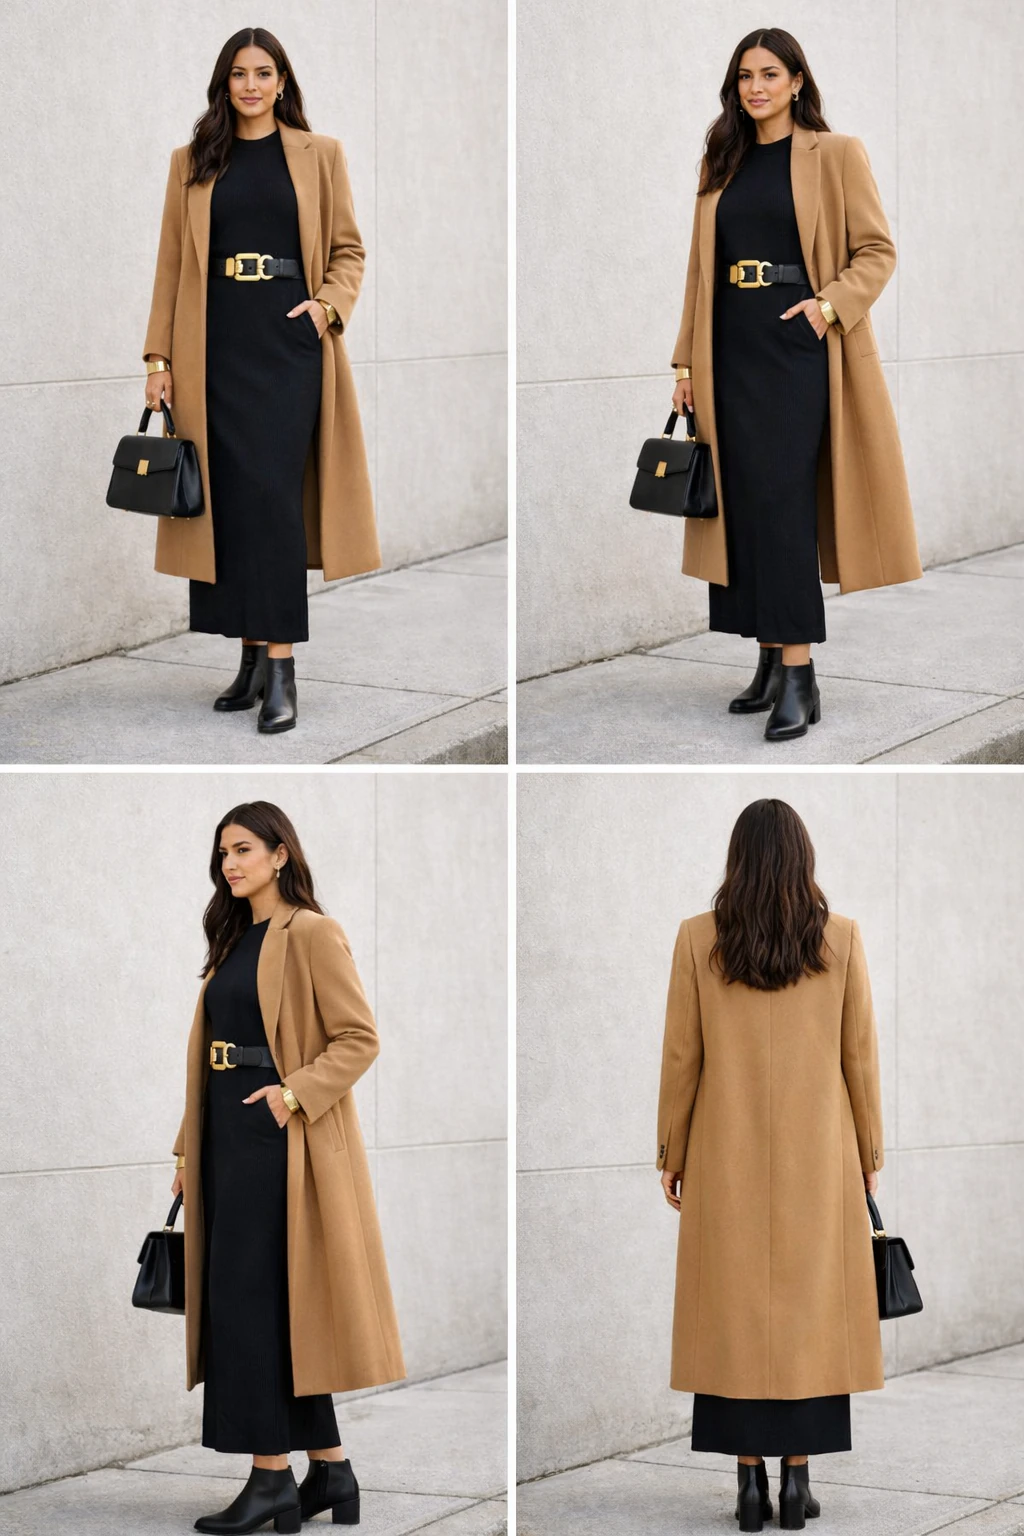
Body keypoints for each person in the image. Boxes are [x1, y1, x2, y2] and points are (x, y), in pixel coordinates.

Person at [670, 27, 921, 740]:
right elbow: (699, 271)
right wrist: (685, 363)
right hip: (728, 348)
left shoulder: (835, 153)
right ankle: (770, 659)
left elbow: (877, 250)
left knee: (781, 504)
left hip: (795, 346)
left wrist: (827, 308)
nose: (756, 87)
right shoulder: (723, 158)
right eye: (745, 75)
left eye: (770, 74)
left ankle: (802, 674)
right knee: (743, 505)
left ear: (798, 82)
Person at [171, 801, 404, 1533]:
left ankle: (270, 1476)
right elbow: (206, 1056)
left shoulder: (312, 932)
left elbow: (358, 1037)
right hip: (226, 1137)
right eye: (222, 854)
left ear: (280, 854)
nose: (230, 864)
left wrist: (292, 1095)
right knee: (263, 1305)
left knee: (253, 1304)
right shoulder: (235, 937)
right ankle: (330, 1470)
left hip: (280, 1140)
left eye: (242, 849)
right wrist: (186, 1148)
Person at [143, 27, 379, 734]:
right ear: (225, 82)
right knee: (232, 502)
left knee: (274, 501)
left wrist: (325, 310)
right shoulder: (192, 161)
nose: (251, 84)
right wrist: (159, 360)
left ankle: (282, 668)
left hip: (286, 346)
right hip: (212, 347)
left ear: (283, 81)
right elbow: (169, 267)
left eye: (264, 72)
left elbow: (348, 250)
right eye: (239, 73)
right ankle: (248, 660)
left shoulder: (319, 154)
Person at [657, 798, 884, 1531]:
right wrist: (869, 1155)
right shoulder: (841, 939)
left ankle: (747, 1485)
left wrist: (673, 1150)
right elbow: (860, 1059)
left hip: (726, 1158)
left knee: (733, 1314)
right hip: (820, 1160)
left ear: (737, 862)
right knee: (810, 1316)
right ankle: (796, 1481)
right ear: (803, 860)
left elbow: (682, 1057)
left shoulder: (698, 940)